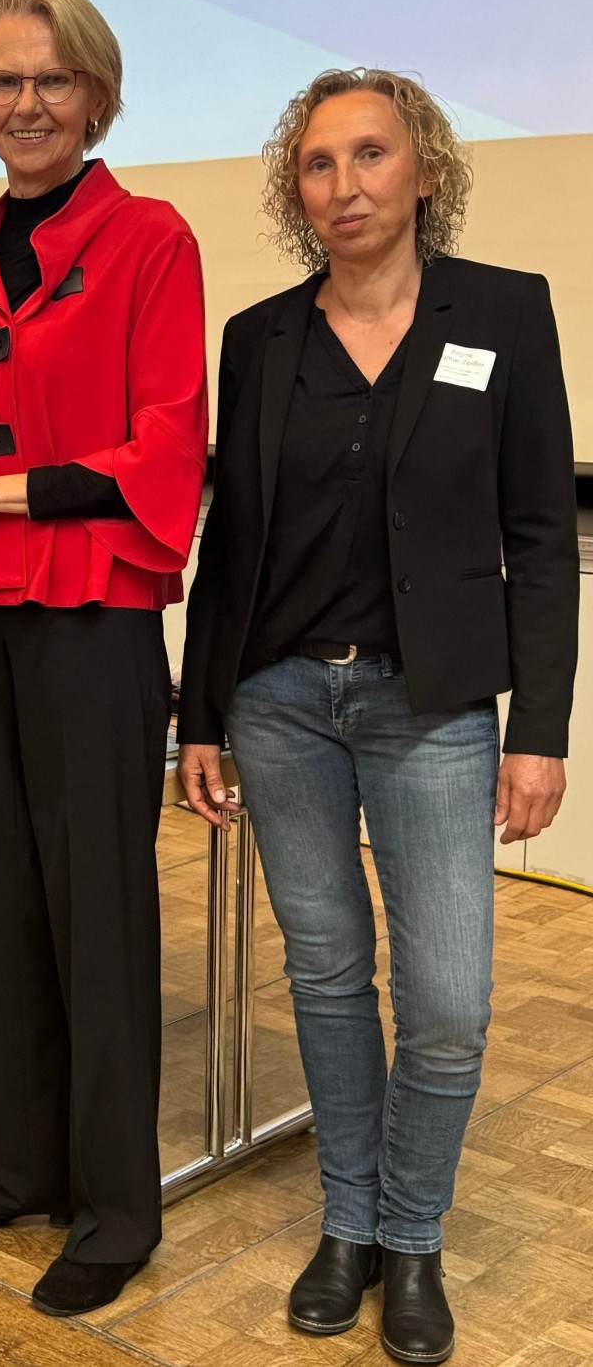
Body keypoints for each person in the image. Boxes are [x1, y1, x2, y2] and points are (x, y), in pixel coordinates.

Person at [178, 69, 575, 1364]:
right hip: (281, 699)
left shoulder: (503, 313)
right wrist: (201, 712)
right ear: (294, 189)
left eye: (370, 154)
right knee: (328, 974)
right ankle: (349, 1226)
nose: (344, 184)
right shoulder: (259, 338)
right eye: (317, 162)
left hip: (433, 705)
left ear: (424, 169)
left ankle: (416, 1233)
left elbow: (539, 536)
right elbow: (231, 538)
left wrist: (541, 728)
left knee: (448, 999)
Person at [0, 0, 207, 1316]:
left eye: (51, 79)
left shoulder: (150, 238)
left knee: (97, 902)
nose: (26, 103)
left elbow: (166, 441)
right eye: (3, 81)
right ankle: (7, 1165)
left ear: (96, 95)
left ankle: (114, 1205)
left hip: (92, 608)